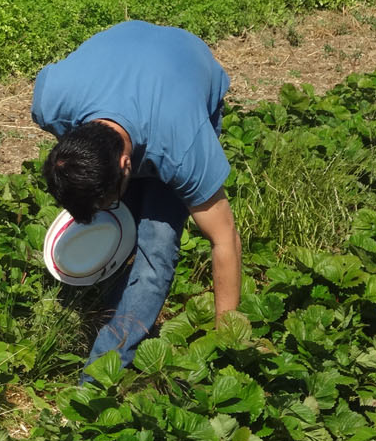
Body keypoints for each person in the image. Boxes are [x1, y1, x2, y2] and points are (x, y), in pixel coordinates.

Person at [31, 20, 243, 372]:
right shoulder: (52, 103)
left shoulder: (183, 146)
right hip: (125, 44)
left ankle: (101, 373)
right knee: (117, 228)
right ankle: (113, 302)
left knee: (156, 249)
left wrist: (229, 342)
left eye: (108, 199)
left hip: (184, 62)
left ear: (127, 165)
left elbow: (225, 240)